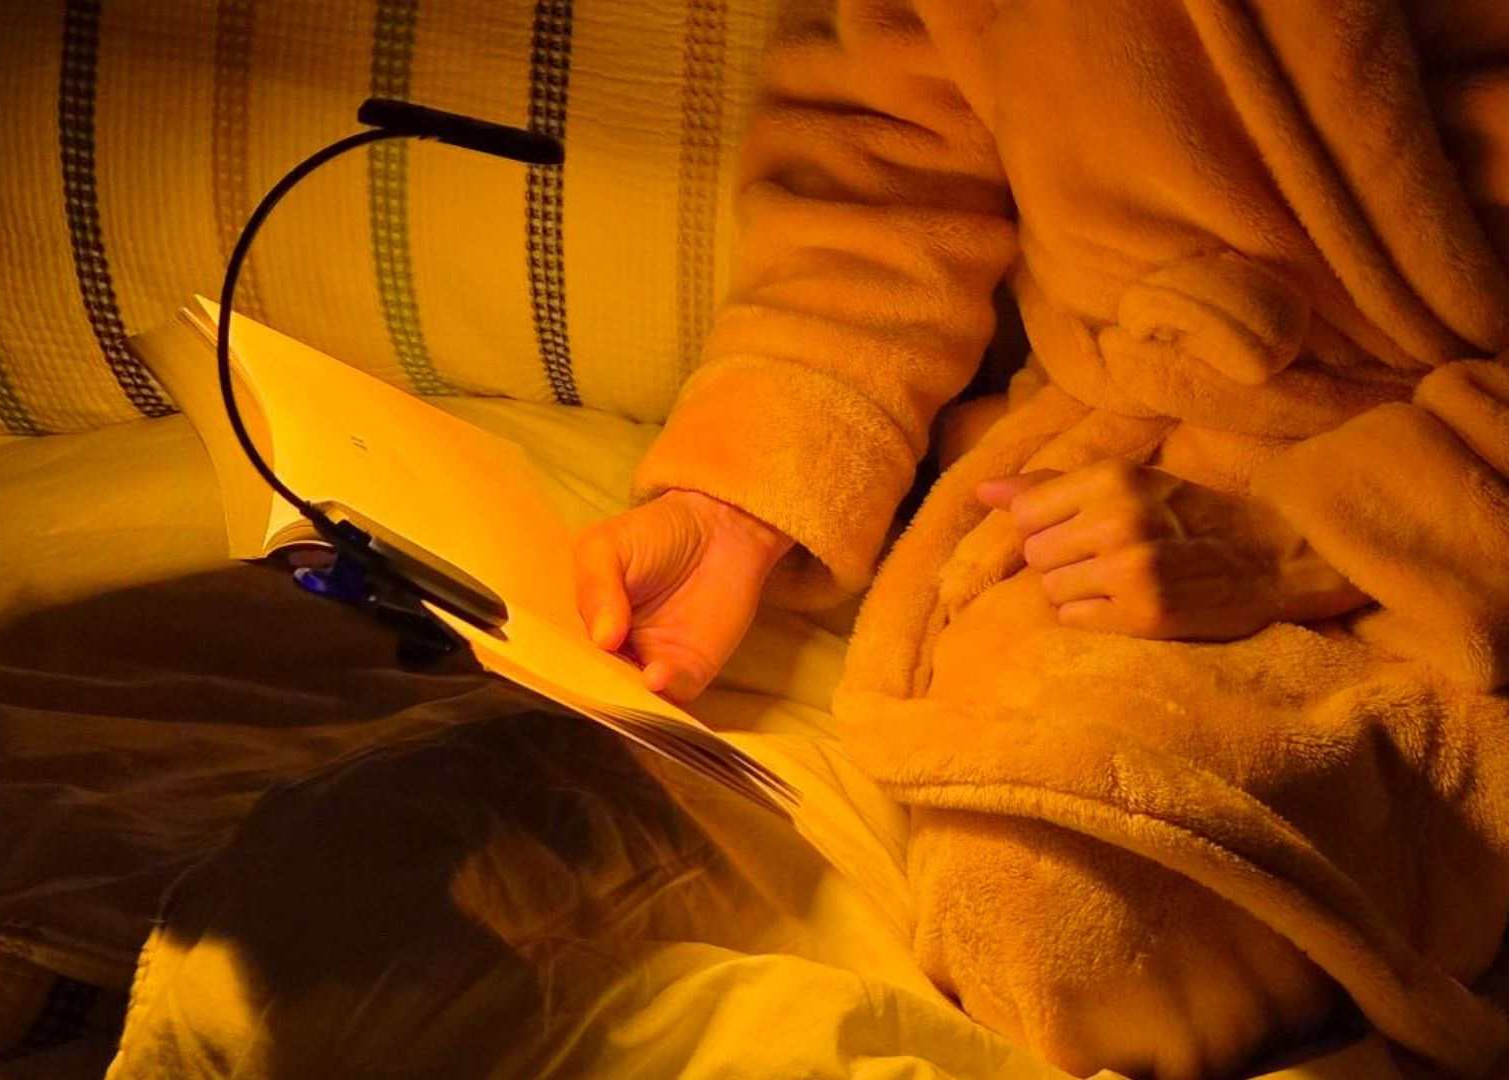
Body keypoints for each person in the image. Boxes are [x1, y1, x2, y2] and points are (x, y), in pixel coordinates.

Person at [574, 1, 1509, 1077]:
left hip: (1455, 511)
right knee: (1047, 908)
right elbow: (883, 183)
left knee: (1109, 923)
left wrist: (1317, 538)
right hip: (1123, 473)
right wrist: (740, 505)